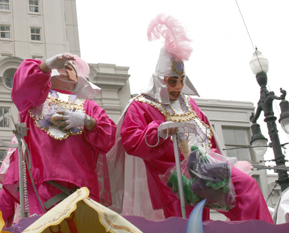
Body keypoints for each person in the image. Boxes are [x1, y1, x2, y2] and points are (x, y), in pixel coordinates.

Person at [116, 14, 273, 223]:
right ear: (160, 80)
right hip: (168, 178)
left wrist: (218, 161)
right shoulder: (141, 105)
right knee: (186, 222)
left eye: (181, 81)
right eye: (172, 81)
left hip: (207, 168)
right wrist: (160, 131)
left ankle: (258, 229)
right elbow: (131, 140)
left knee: (246, 188)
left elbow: (207, 139)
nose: (178, 87)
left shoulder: (190, 105)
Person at [0, 53, 116, 224]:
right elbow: (21, 86)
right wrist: (46, 65)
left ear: (78, 77)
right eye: (61, 64)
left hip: (82, 188)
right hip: (41, 183)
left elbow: (107, 139)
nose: (64, 67)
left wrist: (87, 121)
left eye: (70, 66)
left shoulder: (89, 106)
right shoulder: (35, 100)